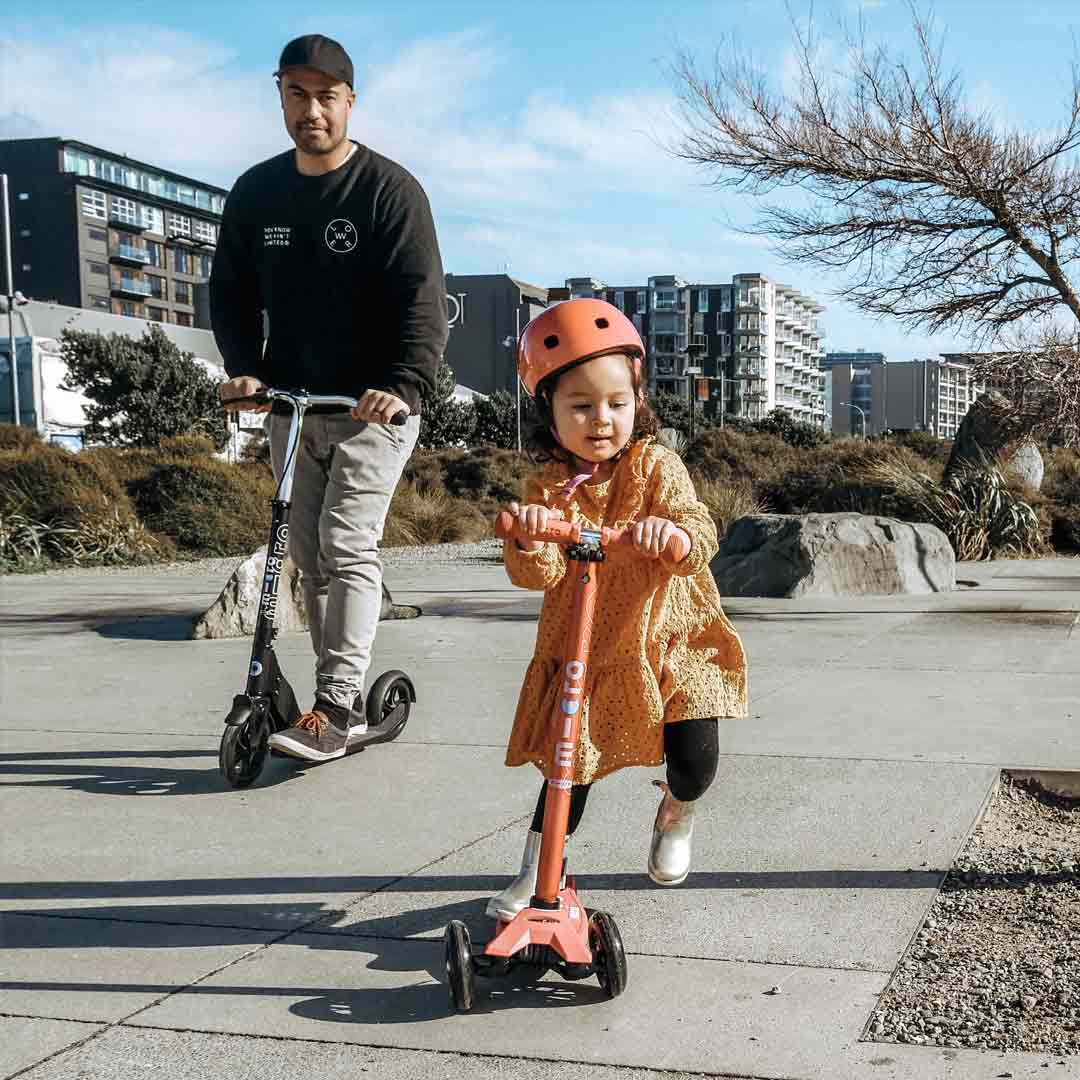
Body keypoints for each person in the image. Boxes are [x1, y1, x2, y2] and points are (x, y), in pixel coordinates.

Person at [211, 33, 448, 762]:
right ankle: (325, 696)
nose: (310, 109)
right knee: (307, 557)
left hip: (375, 405)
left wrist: (404, 383)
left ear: (350, 101)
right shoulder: (258, 191)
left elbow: (422, 299)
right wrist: (245, 369)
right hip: (294, 402)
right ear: (280, 96)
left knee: (346, 545)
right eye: (296, 94)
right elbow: (232, 289)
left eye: (325, 96)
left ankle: (337, 706)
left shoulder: (389, 191)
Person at [488, 298, 748, 921]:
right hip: (589, 646)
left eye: (617, 403)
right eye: (580, 406)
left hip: (670, 636)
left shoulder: (656, 464)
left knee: (696, 758)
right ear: (548, 411)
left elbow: (698, 527)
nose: (601, 420)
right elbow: (538, 572)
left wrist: (675, 537)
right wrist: (529, 534)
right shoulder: (548, 486)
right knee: (566, 769)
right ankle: (539, 867)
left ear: (638, 400)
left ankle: (677, 810)